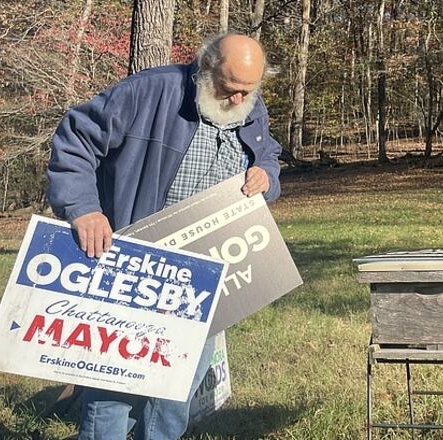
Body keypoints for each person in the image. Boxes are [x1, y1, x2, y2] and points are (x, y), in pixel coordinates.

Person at [47, 33, 282, 440]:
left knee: (177, 389)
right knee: (113, 389)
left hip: (206, 273)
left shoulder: (250, 105)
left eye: (249, 90)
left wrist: (267, 176)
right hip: (135, 265)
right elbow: (75, 140)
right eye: (230, 90)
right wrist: (83, 208)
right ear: (204, 69)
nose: (240, 101)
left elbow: (267, 155)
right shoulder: (147, 92)